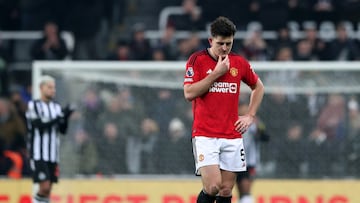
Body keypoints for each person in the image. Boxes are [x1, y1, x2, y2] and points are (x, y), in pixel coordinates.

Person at [183, 16, 264, 203]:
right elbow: (188, 93)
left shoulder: (239, 62)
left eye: (229, 43)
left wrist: (250, 115)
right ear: (211, 40)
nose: (225, 48)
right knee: (213, 186)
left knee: (226, 190)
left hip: (232, 134)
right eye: (221, 43)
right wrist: (217, 74)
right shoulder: (197, 60)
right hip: (205, 134)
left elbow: (258, 87)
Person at [25, 75, 74, 203]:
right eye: (50, 87)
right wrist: (59, 117)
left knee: (49, 189)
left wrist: (66, 117)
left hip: (53, 155)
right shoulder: (33, 105)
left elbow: (62, 130)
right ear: (41, 88)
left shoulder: (56, 107)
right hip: (38, 154)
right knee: (44, 187)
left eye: (54, 88)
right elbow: (40, 125)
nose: (53, 90)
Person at [236, 103, 269, 203]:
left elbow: (265, 136)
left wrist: (258, 125)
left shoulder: (254, 123)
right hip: (234, 160)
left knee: (246, 190)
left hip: (250, 162)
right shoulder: (233, 122)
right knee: (239, 191)